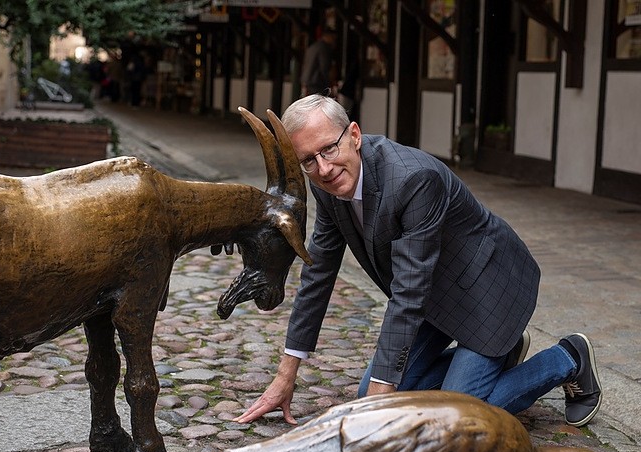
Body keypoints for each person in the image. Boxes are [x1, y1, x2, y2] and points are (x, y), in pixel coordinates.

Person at [235, 95, 603, 429]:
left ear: (354, 135)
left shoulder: (413, 178)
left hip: (488, 288)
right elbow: (318, 273)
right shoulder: (324, 182)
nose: (324, 168)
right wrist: (286, 374)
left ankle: (567, 358)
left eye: (329, 149)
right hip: (437, 294)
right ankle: (494, 355)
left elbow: (408, 291)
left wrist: (382, 395)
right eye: (308, 161)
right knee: (376, 401)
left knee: (454, 420)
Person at [301, 29, 337, 97]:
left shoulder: (313, 46)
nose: (334, 41)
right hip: (318, 82)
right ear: (329, 37)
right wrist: (329, 83)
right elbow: (324, 67)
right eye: (333, 38)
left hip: (308, 80)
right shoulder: (324, 48)